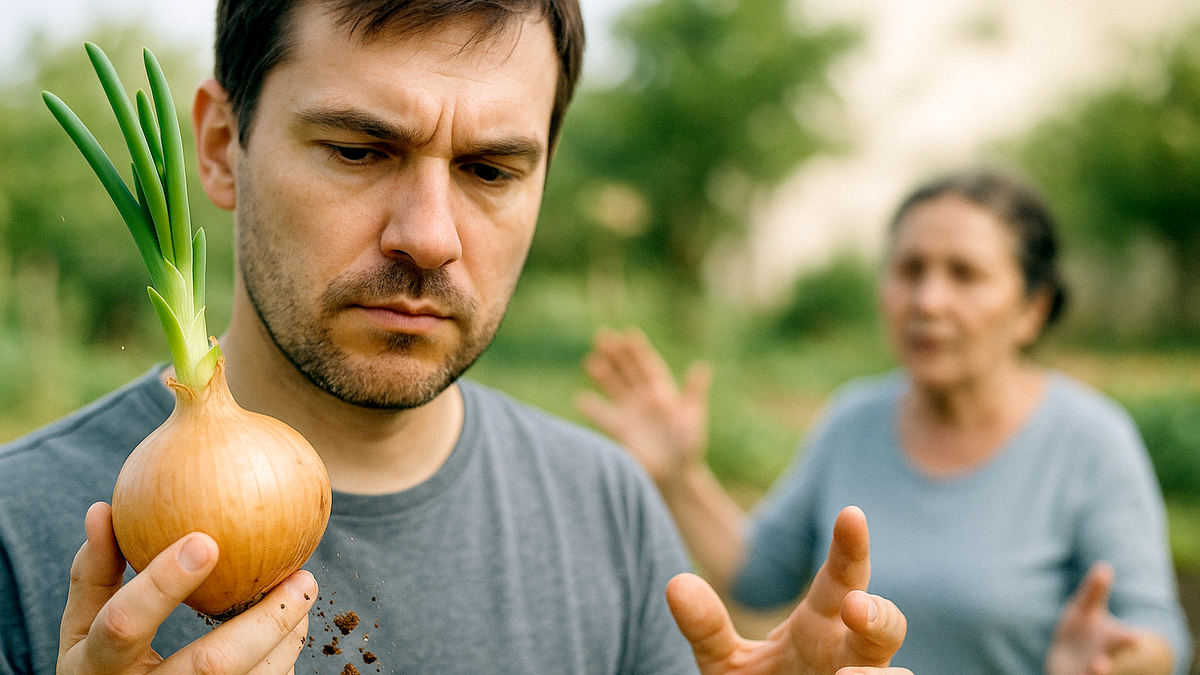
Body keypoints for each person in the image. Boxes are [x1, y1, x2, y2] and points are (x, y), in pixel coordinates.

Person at [0, 1, 912, 674]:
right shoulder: (16, 532)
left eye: (489, 169)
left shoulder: (604, 508)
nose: (430, 235)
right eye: (360, 150)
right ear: (220, 145)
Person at [577, 168, 1194, 675]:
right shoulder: (854, 419)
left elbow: (1160, 635)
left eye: (965, 274)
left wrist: (1115, 663)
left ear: (1032, 310)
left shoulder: (1089, 440)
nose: (927, 300)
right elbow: (762, 575)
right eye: (910, 269)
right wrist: (679, 478)